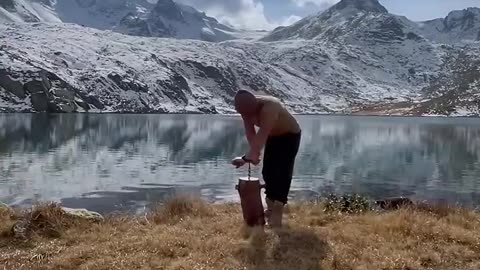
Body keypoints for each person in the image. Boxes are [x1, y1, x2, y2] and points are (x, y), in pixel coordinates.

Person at [231, 89, 301, 228]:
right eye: (243, 114)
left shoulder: (270, 107)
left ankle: (278, 212)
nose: (246, 116)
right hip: (273, 136)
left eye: (248, 113)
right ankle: (270, 207)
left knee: (282, 173)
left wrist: (247, 157)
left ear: (255, 105)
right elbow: (250, 132)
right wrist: (254, 157)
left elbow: (262, 135)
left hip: (290, 135)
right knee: (268, 172)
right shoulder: (245, 109)